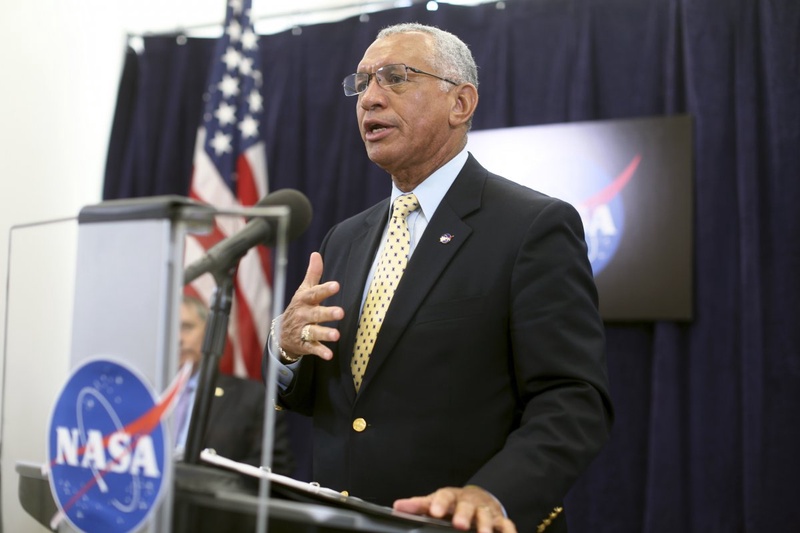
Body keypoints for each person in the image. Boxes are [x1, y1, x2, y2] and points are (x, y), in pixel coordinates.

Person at [266, 23, 613, 533]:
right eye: (362, 83)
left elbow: (573, 399)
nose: (370, 100)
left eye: (395, 78)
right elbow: (339, 403)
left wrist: (493, 492)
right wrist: (289, 350)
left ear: (461, 103)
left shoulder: (531, 227)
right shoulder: (344, 238)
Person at [177, 295, 293, 475]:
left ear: (209, 334)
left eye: (186, 327)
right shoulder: (146, 393)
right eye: (170, 329)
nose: (178, 338)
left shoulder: (252, 398)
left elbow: (274, 467)